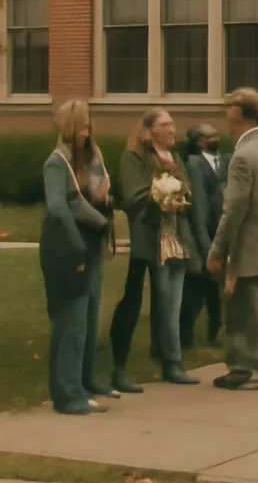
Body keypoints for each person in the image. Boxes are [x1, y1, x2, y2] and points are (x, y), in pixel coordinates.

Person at [109, 109, 200, 391]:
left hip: (178, 236)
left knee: (175, 301)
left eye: (173, 123)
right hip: (154, 238)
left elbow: (187, 187)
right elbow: (133, 196)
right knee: (164, 303)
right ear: (149, 130)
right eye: (165, 124)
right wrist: (160, 194)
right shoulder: (135, 156)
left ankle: (170, 359)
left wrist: (177, 192)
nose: (172, 129)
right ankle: (170, 361)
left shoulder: (176, 157)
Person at [39, 100, 116, 415]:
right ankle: (68, 394)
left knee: (87, 319)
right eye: (83, 125)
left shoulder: (89, 158)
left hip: (90, 242)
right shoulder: (56, 163)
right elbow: (59, 208)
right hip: (68, 245)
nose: (88, 130)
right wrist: (76, 250)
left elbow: (94, 195)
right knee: (70, 322)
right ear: (71, 126)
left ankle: (85, 382)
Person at [208, 88, 258, 392]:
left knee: (249, 309)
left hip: (248, 245)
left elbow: (234, 207)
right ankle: (240, 365)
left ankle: (254, 368)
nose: (225, 111)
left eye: (229, 106)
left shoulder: (243, 155)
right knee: (243, 308)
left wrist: (217, 249)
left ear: (238, 112)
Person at [179, 125, 227, 350]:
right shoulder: (195, 165)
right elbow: (199, 206)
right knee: (196, 289)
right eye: (210, 136)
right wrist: (206, 246)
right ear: (199, 142)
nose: (216, 138)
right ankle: (185, 336)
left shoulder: (225, 160)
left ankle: (214, 332)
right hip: (205, 234)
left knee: (215, 289)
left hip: (221, 230)